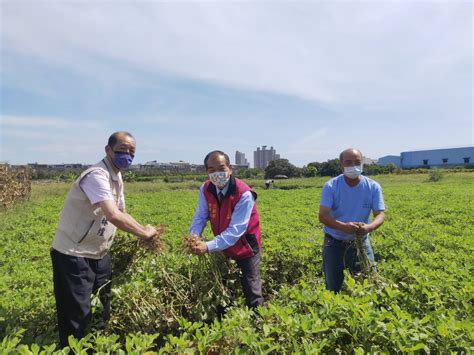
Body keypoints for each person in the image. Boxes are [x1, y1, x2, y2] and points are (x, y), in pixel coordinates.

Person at [50, 132, 158, 348]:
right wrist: (144, 233)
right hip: (74, 254)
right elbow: (113, 215)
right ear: (108, 150)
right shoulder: (97, 175)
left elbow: (122, 212)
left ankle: (96, 347)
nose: (127, 155)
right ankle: (73, 350)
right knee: (76, 315)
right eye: (122, 149)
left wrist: (142, 229)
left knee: (102, 307)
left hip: (99, 254)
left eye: (132, 152)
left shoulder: (117, 177)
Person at [188, 150, 264, 308]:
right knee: (224, 284)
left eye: (221, 168)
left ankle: (259, 323)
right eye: (212, 170)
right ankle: (228, 320)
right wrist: (194, 237)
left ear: (230, 169)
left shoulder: (244, 194)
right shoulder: (206, 189)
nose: (217, 173)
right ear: (206, 171)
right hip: (223, 244)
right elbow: (201, 216)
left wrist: (207, 246)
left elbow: (236, 231)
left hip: (246, 246)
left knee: (251, 288)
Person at [318, 148, 385, 292]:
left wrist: (369, 227)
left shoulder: (373, 187)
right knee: (333, 285)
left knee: (367, 284)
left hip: (360, 242)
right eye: (348, 162)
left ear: (363, 164)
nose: (353, 166)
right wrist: (343, 226)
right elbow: (323, 216)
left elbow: (380, 214)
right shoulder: (331, 186)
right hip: (333, 243)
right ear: (341, 165)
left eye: (357, 162)